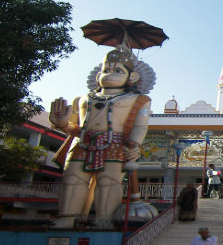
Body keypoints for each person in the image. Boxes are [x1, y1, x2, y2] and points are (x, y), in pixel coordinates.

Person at [50, 49, 151, 228]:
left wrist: (135, 144)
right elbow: (74, 128)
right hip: (82, 143)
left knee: (109, 182)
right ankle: (67, 217)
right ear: (98, 76)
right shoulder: (82, 99)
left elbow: (140, 126)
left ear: (132, 76)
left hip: (114, 143)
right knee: (72, 179)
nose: (110, 74)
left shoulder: (138, 100)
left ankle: (104, 220)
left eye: (118, 70)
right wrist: (62, 124)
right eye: (106, 70)